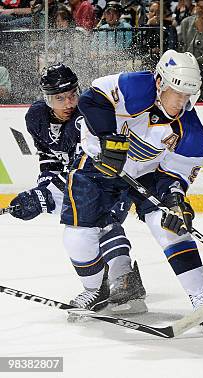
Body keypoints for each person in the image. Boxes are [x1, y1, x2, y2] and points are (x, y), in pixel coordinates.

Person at [60, 50, 203, 332]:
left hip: (146, 174)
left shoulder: (193, 132)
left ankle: (200, 299)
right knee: (78, 235)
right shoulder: (134, 86)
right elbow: (90, 100)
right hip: (97, 166)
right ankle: (95, 289)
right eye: (177, 93)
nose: (181, 102)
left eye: (188, 95)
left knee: (170, 226)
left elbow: (175, 176)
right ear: (159, 81)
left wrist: (175, 201)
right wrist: (109, 138)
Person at [8, 64, 146, 318]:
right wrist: (42, 189)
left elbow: (81, 168)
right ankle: (103, 286)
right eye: (59, 98)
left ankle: (125, 281)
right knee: (82, 229)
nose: (69, 102)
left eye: (72, 94)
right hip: (80, 184)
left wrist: (43, 196)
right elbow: (49, 160)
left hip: (110, 181)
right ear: (47, 99)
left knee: (104, 222)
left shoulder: (86, 117)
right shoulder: (36, 117)